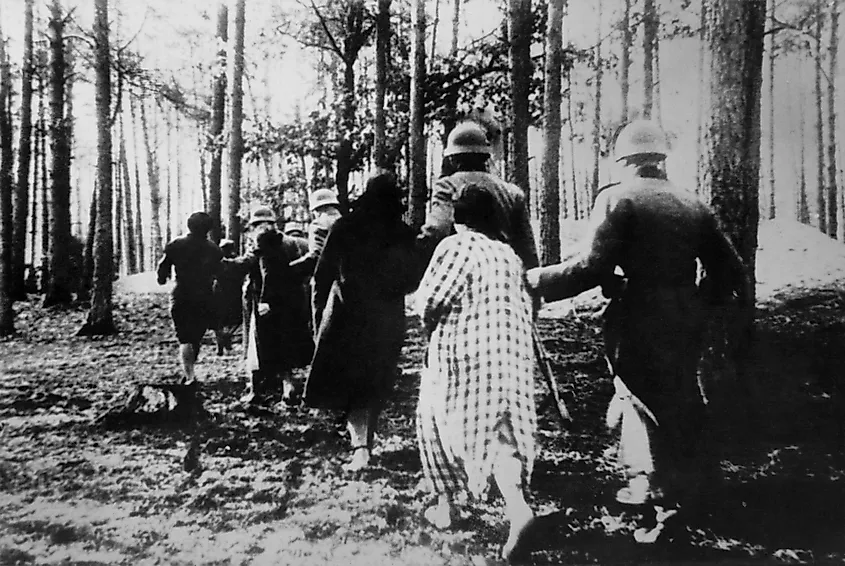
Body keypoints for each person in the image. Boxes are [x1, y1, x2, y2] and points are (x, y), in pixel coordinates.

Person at [526, 120, 751, 538]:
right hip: (685, 317)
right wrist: (698, 302)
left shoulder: (618, 199)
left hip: (638, 318)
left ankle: (661, 504)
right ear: (661, 159)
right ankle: (683, 488)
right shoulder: (692, 203)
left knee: (640, 400)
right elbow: (730, 271)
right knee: (679, 397)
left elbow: (589, 267)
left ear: (625, 160)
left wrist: (536, 280)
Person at [416, 184, 537, 562]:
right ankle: (517, 509)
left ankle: (446, 504)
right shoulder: (508, 254)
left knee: (432, 416)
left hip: (464, 351)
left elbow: (429, 302)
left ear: (459, 218)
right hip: (512, 355)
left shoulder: (456, 247)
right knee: (502, 433)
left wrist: (425, 321)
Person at [303, 174, 420, 472]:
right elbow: (412, 279)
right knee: (375, 381)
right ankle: (365, 443)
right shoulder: (403, 233)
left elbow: (322, 273)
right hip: (387, 319)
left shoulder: (346, 226)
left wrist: (318, 318)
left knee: (353, 383)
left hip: (347, 316)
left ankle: (361, 448)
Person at [418, 120, 538, 273]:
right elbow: (528, 252)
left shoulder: (447, 186)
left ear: (453, 159)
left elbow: (437, 231)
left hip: (461, 274)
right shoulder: (513, 192)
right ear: (485, 156)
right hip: (504, 273)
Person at [226, 206, 314, 408]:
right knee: (285, 344)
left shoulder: (262, 244)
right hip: (291, 301)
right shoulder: (293, 242)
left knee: (258, 346)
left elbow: (252, 266)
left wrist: (222, 265)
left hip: (265, 302)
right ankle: (287, 386)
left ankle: (256, 390)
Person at [156, 211, 223, 384]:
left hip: (181, 293)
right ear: (208, 229)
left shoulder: (175, 244)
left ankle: (190, 375)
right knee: (196, 336)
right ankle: (190, 371)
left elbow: (163, 265)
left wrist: (162, 278)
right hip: (204, 295)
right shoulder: (214, 249)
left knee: (184, 336)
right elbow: (220, 272)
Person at [212, 239, 241, 355]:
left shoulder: (215, 261)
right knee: (235, 319)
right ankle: (227, 337)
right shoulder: (237, 261)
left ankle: (221, 344)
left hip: (219, 291)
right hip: (233, 292)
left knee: (219, 320)